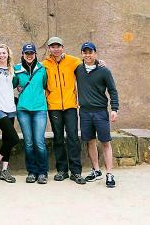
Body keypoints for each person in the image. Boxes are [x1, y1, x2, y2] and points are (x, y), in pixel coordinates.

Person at [75, 42, 119, 188]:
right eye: (85, 52)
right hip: (85, 112)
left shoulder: (104, 71)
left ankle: (109, 174)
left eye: (90, 52)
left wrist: (114, 108)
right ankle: (96, 170)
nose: (87, 55)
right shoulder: (78, 69)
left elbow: (112, 90)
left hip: (100, 111)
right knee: (90, 141)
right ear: (82, 53)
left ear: (95, 53)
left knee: (105, 142)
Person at [43, 36, 86, 184]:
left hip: (70, 106)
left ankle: (76, 172)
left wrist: (100, 62)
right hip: (53, 107)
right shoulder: (44, 65)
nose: (56, 49)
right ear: (49, 49)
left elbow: (88, 63)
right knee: (58, 138)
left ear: (63, 47)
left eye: (58, 46)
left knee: (73, 138)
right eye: (52, 46)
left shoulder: (73, 61)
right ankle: (62, 170)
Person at [14, 43, 49, 184]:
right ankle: (32, 171)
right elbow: (11, 83)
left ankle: (42, 172)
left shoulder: (42, 69)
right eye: (27, 53)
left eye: (32, 53)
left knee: (39, 142)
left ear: (35, 54)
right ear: (22, 54)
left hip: (40, 109)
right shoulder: (16, 69)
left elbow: (45, 84)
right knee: (28, 143)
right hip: (23, 110)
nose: (29, 56)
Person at [0, 44, 20, 183]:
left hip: (10, 107)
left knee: (7, 139)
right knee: (14, 138)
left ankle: (4, 170)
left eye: (4, 53)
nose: (2, 55)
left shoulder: (13, 68)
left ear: (8, 54)